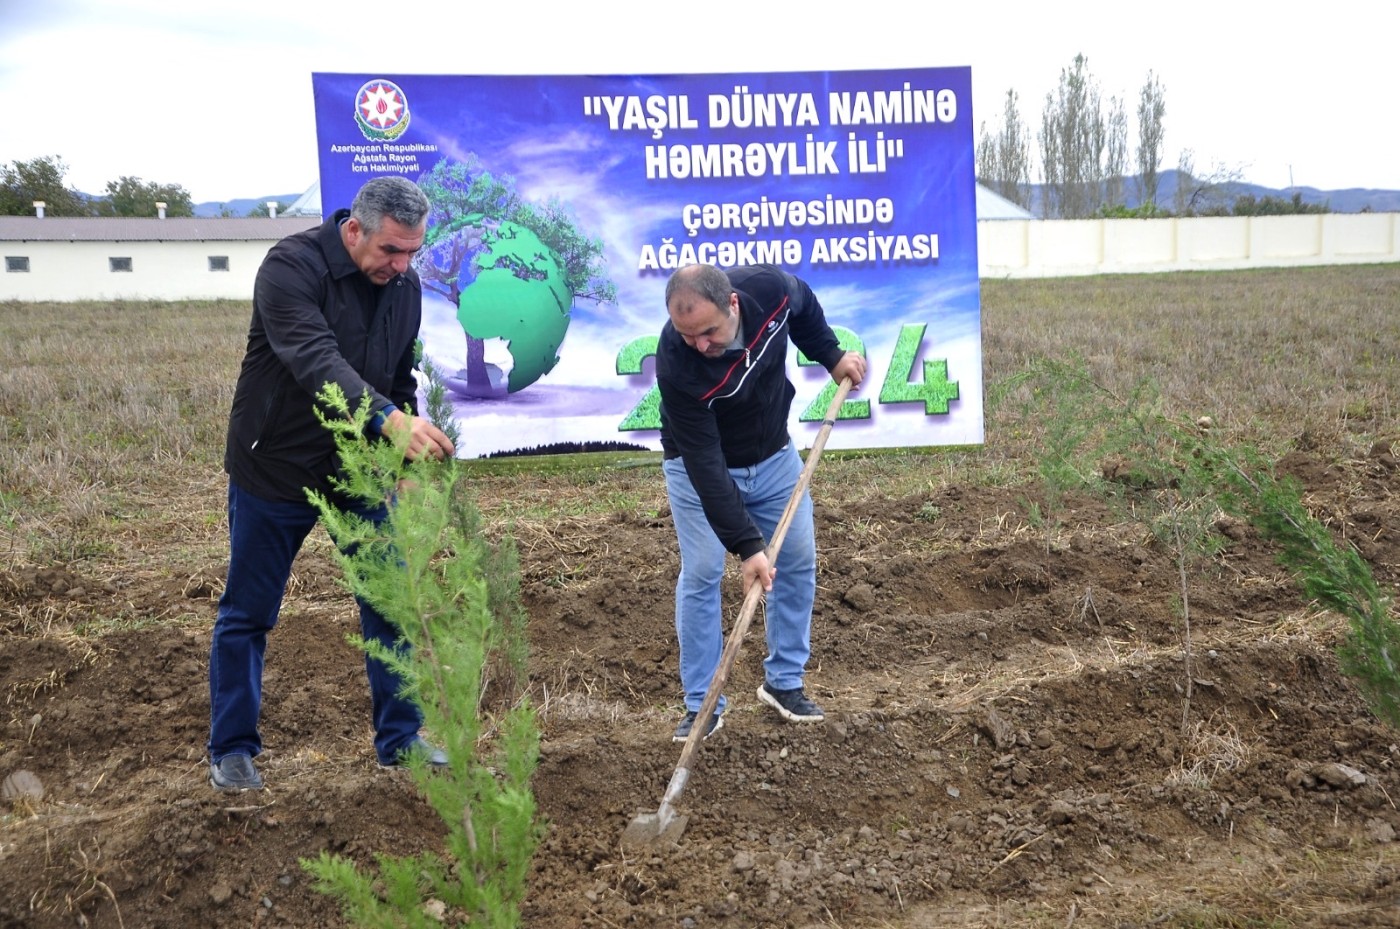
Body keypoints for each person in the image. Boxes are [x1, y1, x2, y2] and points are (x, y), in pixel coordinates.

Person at [207, 176, 456, 791]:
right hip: (277, 465)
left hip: (358, 468)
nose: (401, 266)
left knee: (388, 602)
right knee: (250, 611)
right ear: (353, 230)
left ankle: (399, 741)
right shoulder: (291, 267)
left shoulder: (404, 288)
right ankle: (232, 749)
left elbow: (399, 376)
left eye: (411, 252)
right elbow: (315, 358)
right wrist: (392, 422)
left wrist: (398, 464)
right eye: (390, 251)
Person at [656, 263, 866, 742]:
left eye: (708, 332)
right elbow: (707, 468)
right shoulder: (675, 360)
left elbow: (804, 303)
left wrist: (830, 355)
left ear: (732, 304)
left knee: (796, 558)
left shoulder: (768, 290)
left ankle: (784, 682)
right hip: (698, 468)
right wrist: (748, 546)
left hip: (772, 454)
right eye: (686, 335)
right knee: (705, 569)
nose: (700, 346)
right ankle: (702, 704)